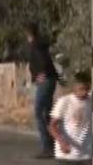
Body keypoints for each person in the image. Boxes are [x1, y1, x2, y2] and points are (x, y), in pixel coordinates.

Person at [27, 22, 59, 160]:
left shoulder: (35, 46)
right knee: (47, 113)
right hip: (49, 79)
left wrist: (39, 74)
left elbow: (42, 62)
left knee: (39, 112)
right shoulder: (40, 44)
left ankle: (47, 147)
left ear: (28, 33)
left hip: (45, 81)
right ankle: (54, 144)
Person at [48, 71, 92, 164]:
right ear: (74, 87)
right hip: (66, 155)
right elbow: (52, 126)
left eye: (87, 89)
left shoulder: (92, 101)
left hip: (86, 153)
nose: (84, 92)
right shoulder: (64, 101)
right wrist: (61, 142)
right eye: (82, 89)